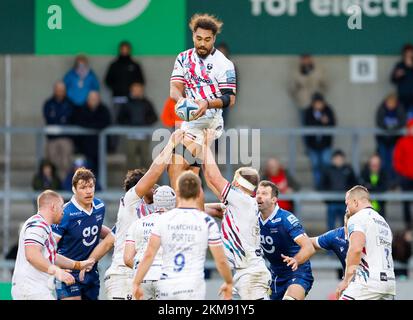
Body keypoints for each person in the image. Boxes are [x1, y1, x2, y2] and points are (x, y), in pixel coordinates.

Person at [84, 130, 185, 300]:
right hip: (123, 276)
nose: (156, 188)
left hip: (144, 276)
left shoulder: (150, 212)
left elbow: (109, 241)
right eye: (152, 186)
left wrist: (90, 261)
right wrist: (170, 144)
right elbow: (153, 173)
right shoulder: (131, 201)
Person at [132, 171, 233, 300]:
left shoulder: (163, 220)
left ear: (178, 193)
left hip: (167, 286)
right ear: (198, 194)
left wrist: (136, 282)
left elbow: (149, 254)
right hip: (192, 287)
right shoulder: (206, 221)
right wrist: (228, 282)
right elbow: (221, 260)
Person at [168, 13, 237, 190]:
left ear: (214, 38)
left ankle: (182, 209)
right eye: (199, 38)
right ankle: (193, 211)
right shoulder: (183, 58)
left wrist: (206, 103)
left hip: (209, 121)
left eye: (207, 39)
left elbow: (230, 98)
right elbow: (174, 88)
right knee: (192, 176)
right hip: (190, 119)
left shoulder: (224, 64)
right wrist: (183, 101)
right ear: (193, 36)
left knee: (176, 165)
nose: (202, 43)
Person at [202, 129, 271, 300]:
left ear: (238, 182)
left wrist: (206, 144)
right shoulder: (242, 203)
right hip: (246, 272)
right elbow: (210, 180)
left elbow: (214, 176)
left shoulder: (241, 200)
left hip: (250, 274)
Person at [11, 190, 94, 300]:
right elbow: (31, 255)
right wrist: (57, 272)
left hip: (34, 289)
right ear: (53, 207)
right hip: (31, 289)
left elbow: (52, 257)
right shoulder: (37, 225)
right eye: (61, 207)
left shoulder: (44, 227)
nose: (63, 212)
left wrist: (78, 265)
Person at [52, 168, 111, 300]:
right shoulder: (65, 213)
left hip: (91, 273)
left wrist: (116, 236)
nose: (88, 191)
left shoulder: (99, 206)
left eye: (91, 186)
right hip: (69, 273)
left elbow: (97, 228)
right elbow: (49, 247)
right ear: (74, 189)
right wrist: (57, 270)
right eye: (83, 187)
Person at [257, 180, 315, 300]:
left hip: (297, 271)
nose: (259, 196)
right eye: (257, 193)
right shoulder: (253, 217)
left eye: (264, 193)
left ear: (274, 199)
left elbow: (309, 247)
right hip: (275, 275)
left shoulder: (286, 219)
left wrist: (296, 260)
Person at [336, 185, 396, 300]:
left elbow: (356, 249)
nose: (346, 209)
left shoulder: (358, 217)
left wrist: (346, 280)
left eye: (347, 204)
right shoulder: (383, 222)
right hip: (389, 282)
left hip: (369, 283)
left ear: (355, 202)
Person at [124, 185, 176, 300]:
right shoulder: (178, 224)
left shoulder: (137, 223)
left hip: (143, 277)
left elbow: (127, 259)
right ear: (173, 202)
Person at [117, 82, 158, 170]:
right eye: (135, 90)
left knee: (145, 158)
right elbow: (120, 118)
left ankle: (145, 180)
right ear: (131, 91)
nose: (137, 92)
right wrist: (130, 124)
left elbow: (154, 117)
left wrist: (145, 122)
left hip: (144, 134)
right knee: (130, 158)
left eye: (139, 90)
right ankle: (131, 180)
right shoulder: (126, 104)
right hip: (131, 135)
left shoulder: (147, 103)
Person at [71, 91, 112, 178]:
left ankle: (99, 187)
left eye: (95, 99)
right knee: (86, 169)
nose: (93, 101)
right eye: (91, 99)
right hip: (84, 146)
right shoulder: (82, 109)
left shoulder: (104, 110)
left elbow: (105, 123)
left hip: (100, 146)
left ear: (99, 100)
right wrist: (95, 125)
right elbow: (80, 122)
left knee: (99, 168)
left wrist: (90, 124)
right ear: (88, 100)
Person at [105, 41, 145, 121]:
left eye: (126, 49)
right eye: (122, 49)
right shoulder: (114, 65)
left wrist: (134, 91)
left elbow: (141, 81)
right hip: (117, 98)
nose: (124, 51)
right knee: (116, 119)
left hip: (132, 99)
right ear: (119, 50)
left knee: (132, 119)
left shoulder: (135, 65)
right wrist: (116, 89)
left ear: (129, 50)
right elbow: (107, 80)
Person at [43, 81, 75, 180]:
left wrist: (60, 120)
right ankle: (55, 185)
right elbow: (49, 119)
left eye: (62, 90)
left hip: (66, 137)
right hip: (52, 138)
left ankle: (64, 184)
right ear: (54, 90)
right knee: (52, 162)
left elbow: (70, 119)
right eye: (58, 89)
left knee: (66, 162)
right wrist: (61, 120)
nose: (59, 92)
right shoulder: (48, 103)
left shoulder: (70, 103)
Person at [303, 92, 336, 188]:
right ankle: (318, 185)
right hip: (313, 145)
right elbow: (307, 125)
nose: (318, 105)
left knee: (326, 163)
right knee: (316, 165)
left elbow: (333, 124)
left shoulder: (328, 110)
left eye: (320, 103)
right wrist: (320, 121)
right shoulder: (308, 112)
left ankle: (326, 184)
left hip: (325, 144)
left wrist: (327, 122)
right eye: (316, 103)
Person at [320, 150, 357, 231]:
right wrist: (327, 199)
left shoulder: (348, 169)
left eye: (340, 159)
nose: (338, 161)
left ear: (343, 159)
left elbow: (354, 184)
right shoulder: (328, 170)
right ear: (333, 160)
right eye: (336, 159)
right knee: (331, 225)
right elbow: (322, 185)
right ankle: (330, 242)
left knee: (345, 225)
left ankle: (344, 241)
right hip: (332, 202)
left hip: (345, 203)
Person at [375, 93, 406, 184]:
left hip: (394, 141)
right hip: (383, 140)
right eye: (389, 103)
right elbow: (379, 121)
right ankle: (384, 181)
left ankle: (393, 182)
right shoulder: (381, 109)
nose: (391, 105)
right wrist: (387, 128)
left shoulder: (400, 109)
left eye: (392, 103)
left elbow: (402, 121)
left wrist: (393, 129)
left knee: (393, 162)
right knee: (383, 162)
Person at [289, 54, 328, 123]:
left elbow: (325, 84)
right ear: (301, 60)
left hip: (317, 104)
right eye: (304, 59)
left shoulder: (318, 71)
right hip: (303, 103)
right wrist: (299, 95)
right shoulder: (297, 72)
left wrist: (320, 95)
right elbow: (292, 88)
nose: (306, 61)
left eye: (307, 59)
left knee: (318, 123)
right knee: (305, 124)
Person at [310, 213, 349, 280]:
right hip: (352, 283)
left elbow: (356, 250)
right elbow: (307, 243)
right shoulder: (336, 236)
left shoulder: (371, 234)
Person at [393, 119, 413, 229]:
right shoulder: (402, 142)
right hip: (406, 177)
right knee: (406, 202)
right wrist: (403, 172)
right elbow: (397, 160)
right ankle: (408, 226)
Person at [391, 44, 413, 118]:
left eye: (411, 52)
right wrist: (397, 76)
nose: (409, 54)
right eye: (407, 52)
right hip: (403, 96)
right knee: (402, 116)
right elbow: (393, 80)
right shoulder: (400, 65)